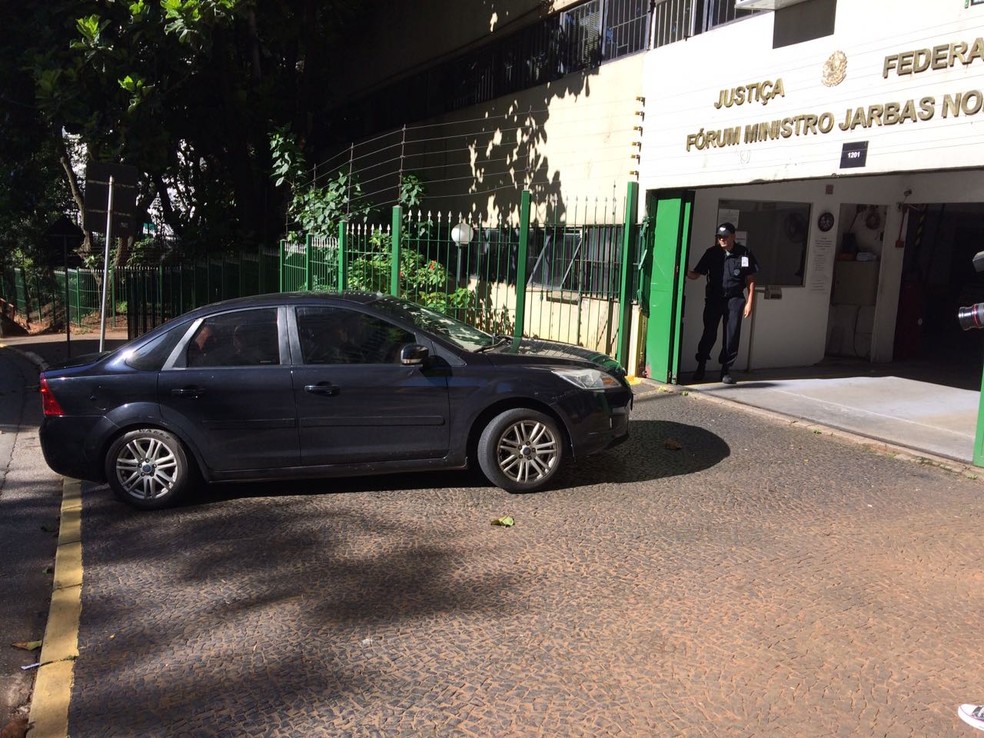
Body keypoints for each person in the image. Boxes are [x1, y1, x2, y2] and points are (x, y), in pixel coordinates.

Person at [686, 221, 759, 384]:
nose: (722, 239)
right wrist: (684, 270)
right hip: (715, 298)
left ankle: (726, 370)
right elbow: (696, 274)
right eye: (719, 237)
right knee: (709, 332)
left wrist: (750, 302)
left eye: (725, 236)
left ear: (733, 236)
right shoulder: (711, 253)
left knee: (731, 335)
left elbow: (750, 279)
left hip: (735, 299)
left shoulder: (744, 253)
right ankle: (701, 366)